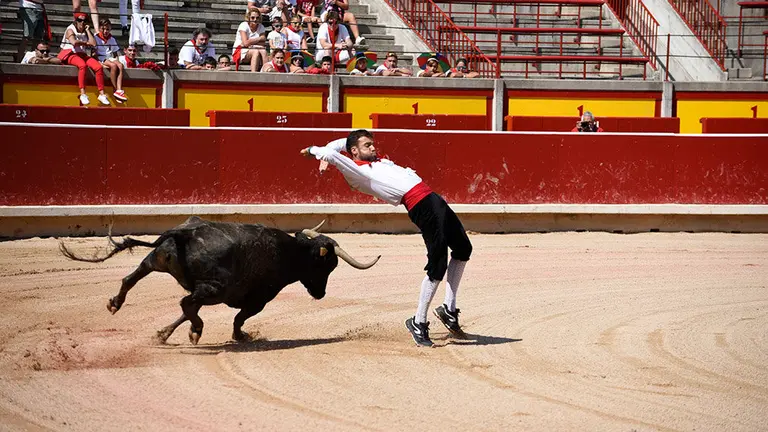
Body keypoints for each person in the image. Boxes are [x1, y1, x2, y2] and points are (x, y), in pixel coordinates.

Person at [300, 130, 472, 347]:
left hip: (432, 198)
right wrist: (315, 152)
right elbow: (334, 154)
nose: (373, 148)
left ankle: (448, 308)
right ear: (355, 152)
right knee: (438, 264)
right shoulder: (356, 171)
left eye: (372, 144)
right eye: (367, 145)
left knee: (463, 249)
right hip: (420, 205)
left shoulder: (374, 161)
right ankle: (418, 321)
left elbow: (341, 144)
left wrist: (329, 149)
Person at [58, 12, 110, 106]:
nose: (82, 22)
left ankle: (101, 94)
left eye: (84, 20)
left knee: (98, 67)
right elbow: (74, 42)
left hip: (81, 54)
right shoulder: (70, 29)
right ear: (76, 21)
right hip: (70, 53)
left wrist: (88, 30)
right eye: (80, 20)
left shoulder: (86, 30)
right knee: (82, 65)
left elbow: (93, 43)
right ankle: (83, 93)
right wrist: (86, 43)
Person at [95, 18, 128, 103]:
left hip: (109, 57)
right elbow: (94, 53)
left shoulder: (112, 39)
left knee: (120, 65)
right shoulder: (96, 37)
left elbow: (115, 53)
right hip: (101, 57)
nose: (106, 31)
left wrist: (117, 61)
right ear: (99, 28)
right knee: (113, 66)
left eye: (108, 29)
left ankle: (119, 90)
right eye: (103, 29)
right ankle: (115, 89)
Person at [233, 8, 267, 72]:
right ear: (248, 18)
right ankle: (253, 74)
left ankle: (266, 72)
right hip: (240, 50)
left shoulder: (261, 26)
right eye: (253, 18)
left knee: (264, 51)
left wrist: (250, 42)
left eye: (257, 18)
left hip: (254, 48)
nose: (255, 20)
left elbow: (263, 43)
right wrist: (260, 38)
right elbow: (245, 43)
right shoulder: (243, 25)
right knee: (256, 51)